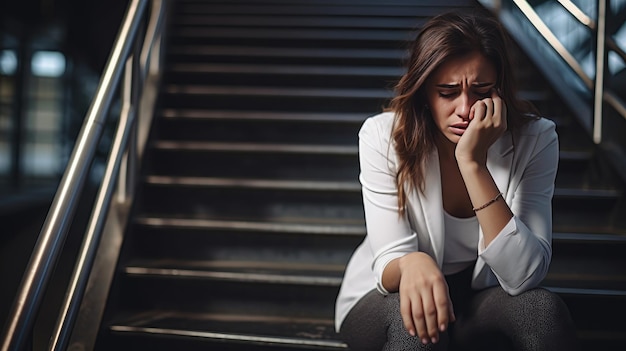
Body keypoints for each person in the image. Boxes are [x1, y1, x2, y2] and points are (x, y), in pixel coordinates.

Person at [335, 9, 579, 351]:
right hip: (386, 297)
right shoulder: (382, 136)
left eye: (481, 90)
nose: (465, 108)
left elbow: (524, 275)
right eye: (447, 92)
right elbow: (388, 258)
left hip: (481, 300)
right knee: (413, 330)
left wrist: (473, 163)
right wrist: (410, 263)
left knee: (542, 310)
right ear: (424, 93)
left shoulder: (536, 139)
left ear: (499, 89)